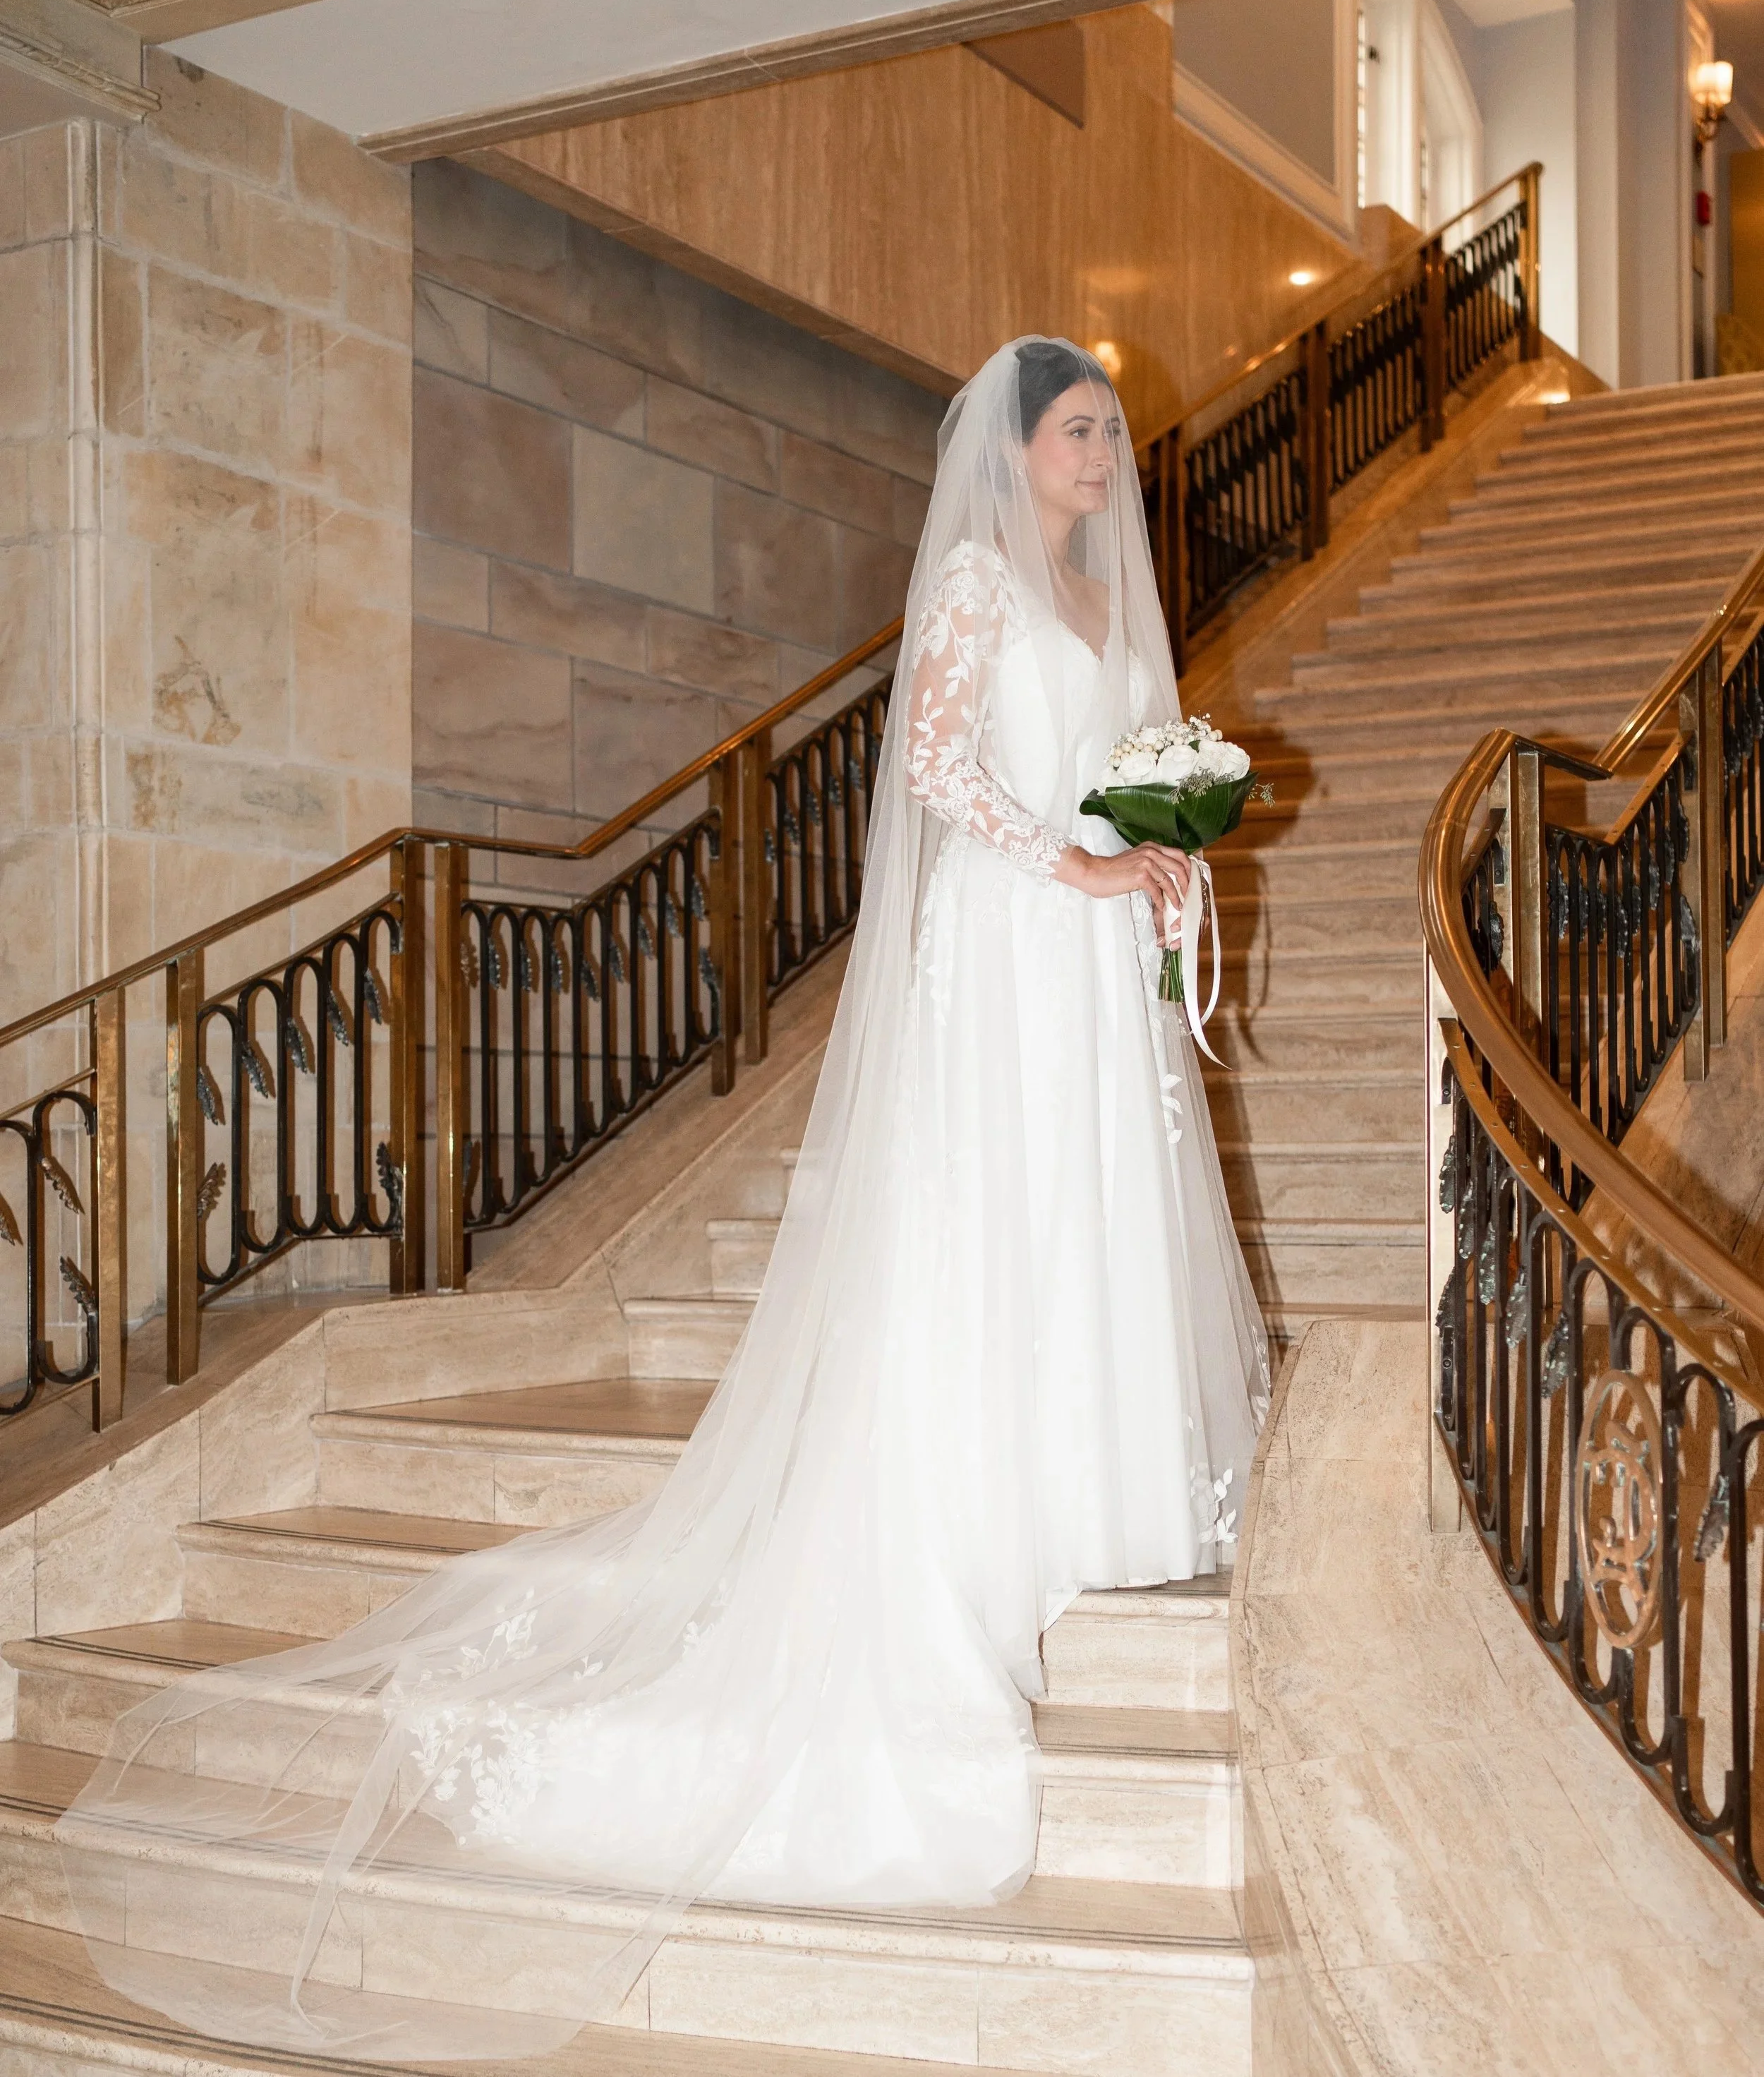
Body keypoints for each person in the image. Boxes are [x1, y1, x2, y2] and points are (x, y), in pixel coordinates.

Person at [60, 337, 1270, 2059]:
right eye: (1077, 432)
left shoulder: (1097, 601)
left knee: (1079, 1232)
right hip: (1002, 954)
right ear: (1012, 448)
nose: (1101, 458)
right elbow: (935, 779)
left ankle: (1097, 1497)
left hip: (1076, 965)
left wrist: (1152, 849)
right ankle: (974, 1523)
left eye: (1106, 436)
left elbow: (1098, 768)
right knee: (987, 1234)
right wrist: (1073, 862)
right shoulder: (977, 592)